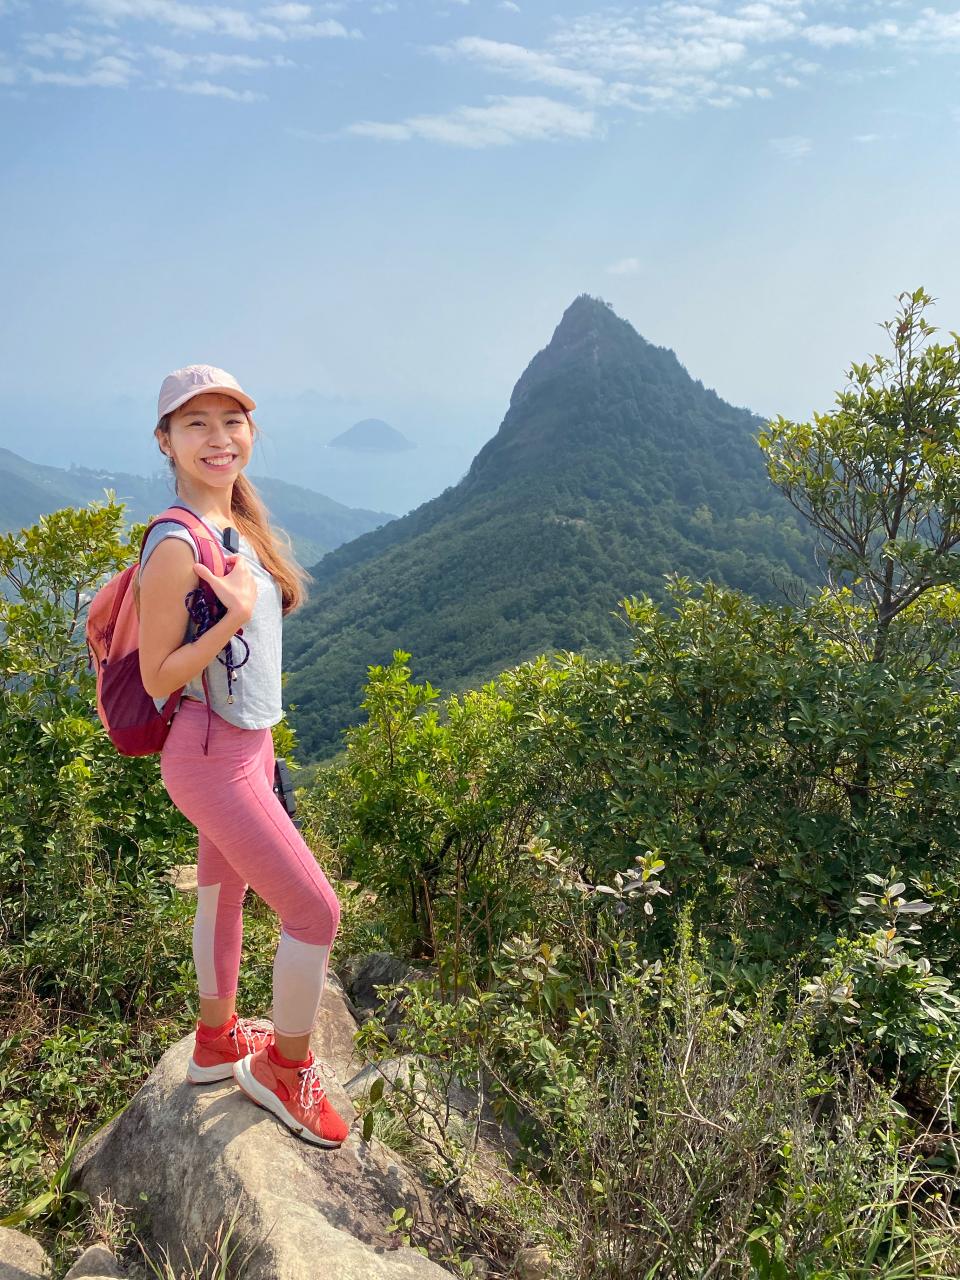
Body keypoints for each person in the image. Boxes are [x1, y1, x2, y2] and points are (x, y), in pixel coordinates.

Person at [137, 363, 349, 1147]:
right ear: (166, 441)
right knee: (315, 910)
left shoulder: (238, 523)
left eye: (232, 420)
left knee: (223, 898)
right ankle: (283, 1072)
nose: (219, 437)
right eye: (196, 424)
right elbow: (159, 675)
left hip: (249, 748)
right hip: (208, 757)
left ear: (250, 432)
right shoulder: (174, 544)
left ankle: (216, 1041)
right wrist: (229, 622)